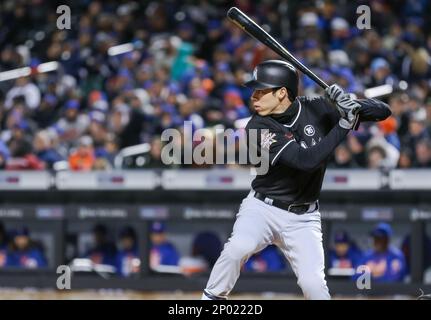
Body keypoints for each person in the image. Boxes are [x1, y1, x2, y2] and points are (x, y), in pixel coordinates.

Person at [202, 59, 391, 300]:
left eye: (261, 90)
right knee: (238, 248)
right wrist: (344, 123)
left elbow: (383, 111)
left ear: (282, 93)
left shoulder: (318, 108)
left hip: (303, 218)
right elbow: (306, 161)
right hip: (262, 209)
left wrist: (348, 103)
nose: (254, 97)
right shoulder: (257, 126)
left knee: (314, 286)